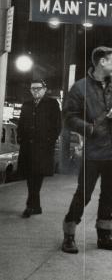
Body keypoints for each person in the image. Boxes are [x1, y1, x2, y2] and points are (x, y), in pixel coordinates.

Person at [61, 46, 112, 254]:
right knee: (84, 194)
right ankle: (69, 235)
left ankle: (105, 236)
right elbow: (68, 117)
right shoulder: (80, 88)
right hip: (93, 151)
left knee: (110, 194)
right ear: (102, 62)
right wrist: (89, 129)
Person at [17, 79, 61, 218]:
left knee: (36, 176)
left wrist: (49, 141)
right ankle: (36, 206)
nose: (35, 91)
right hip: (27, 148)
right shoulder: (26, 104)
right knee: (31, 177)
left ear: (44, 89)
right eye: (32, 89)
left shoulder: (52, 104)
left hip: (43, 148)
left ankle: (30, 206)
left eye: (38, 88)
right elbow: (21, 123)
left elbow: (57, 126)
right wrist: (20, 138)